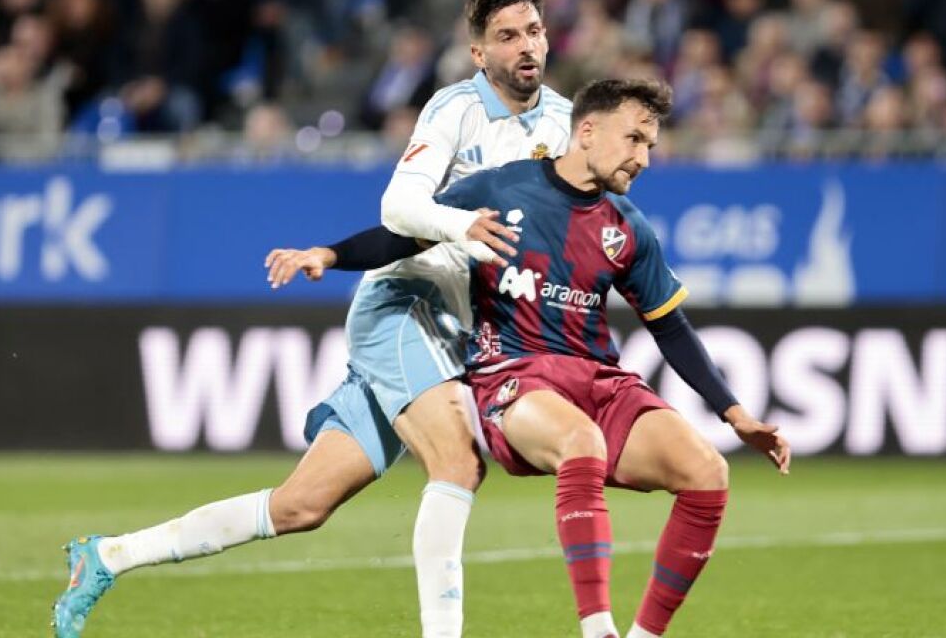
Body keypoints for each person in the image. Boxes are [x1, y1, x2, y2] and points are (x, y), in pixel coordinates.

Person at [53, 0, 571, 638]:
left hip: (458, 327)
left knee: (301, 506)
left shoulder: (564, 123)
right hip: (404, 304)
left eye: (533, 30)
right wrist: (452, 227)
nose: (525, 44)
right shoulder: (454, 110)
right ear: (479, 53)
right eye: (507, 35)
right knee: (458, 462)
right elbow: (400, 208)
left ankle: (109, 555)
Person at [287, 78, 792, 638]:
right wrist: (329, 254)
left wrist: (735, 414)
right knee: (582, 443)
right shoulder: (502, 189)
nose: (644, 158)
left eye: (650, 145)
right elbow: (405, 235)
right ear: (587, 130)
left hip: (598, 377)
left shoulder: (628, 227)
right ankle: (598, 630)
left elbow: (668, 326)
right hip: (514, 375)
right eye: (634, 139)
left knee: (708, 473)